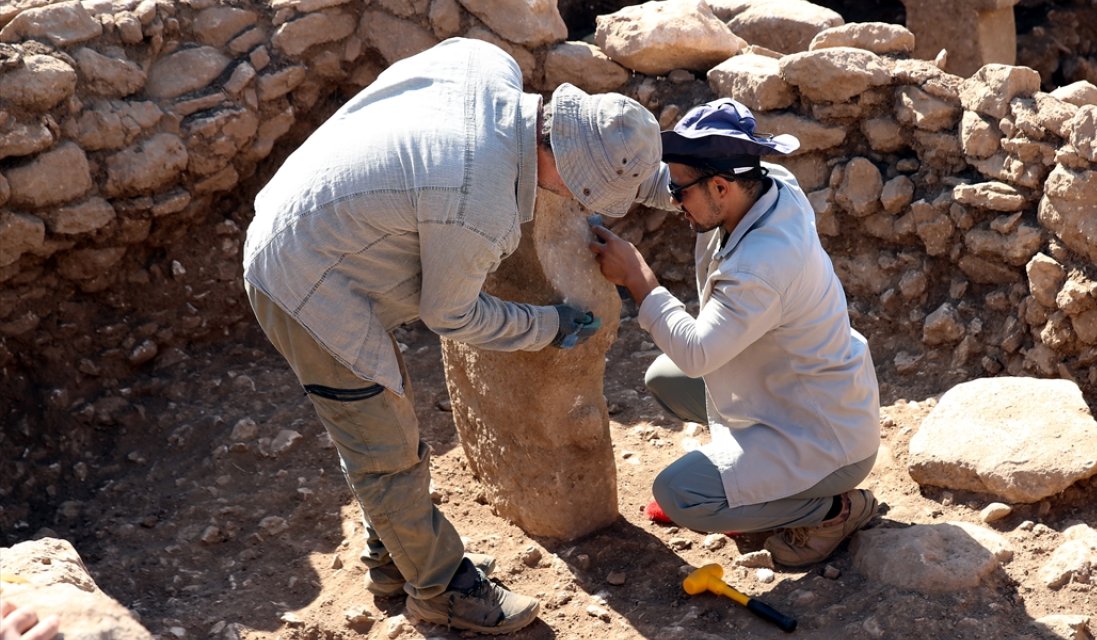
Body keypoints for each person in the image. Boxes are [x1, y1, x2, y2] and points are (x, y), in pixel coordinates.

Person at [242, 38, 669, 634]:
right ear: (562, 162)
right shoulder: (477, 206)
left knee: (386, 427)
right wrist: (544, 327)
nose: (579, 204)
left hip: (312, 207)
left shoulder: (487, 65)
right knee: (385, 445)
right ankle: (440, 590)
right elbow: (452, 316)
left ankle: (397, 558)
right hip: (302, 276)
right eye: (582, 192)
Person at [590, 98, 882, 567]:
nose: (673, 199)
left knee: (680, 495)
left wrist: (639, 279)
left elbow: (698, 354)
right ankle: (751, 485)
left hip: (826, 441)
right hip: (792, 398)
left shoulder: (762, 264)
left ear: (721, 186)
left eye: (681, 191)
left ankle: (834, 509)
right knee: (663, 378)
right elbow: (672, 186)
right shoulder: (766, 187)